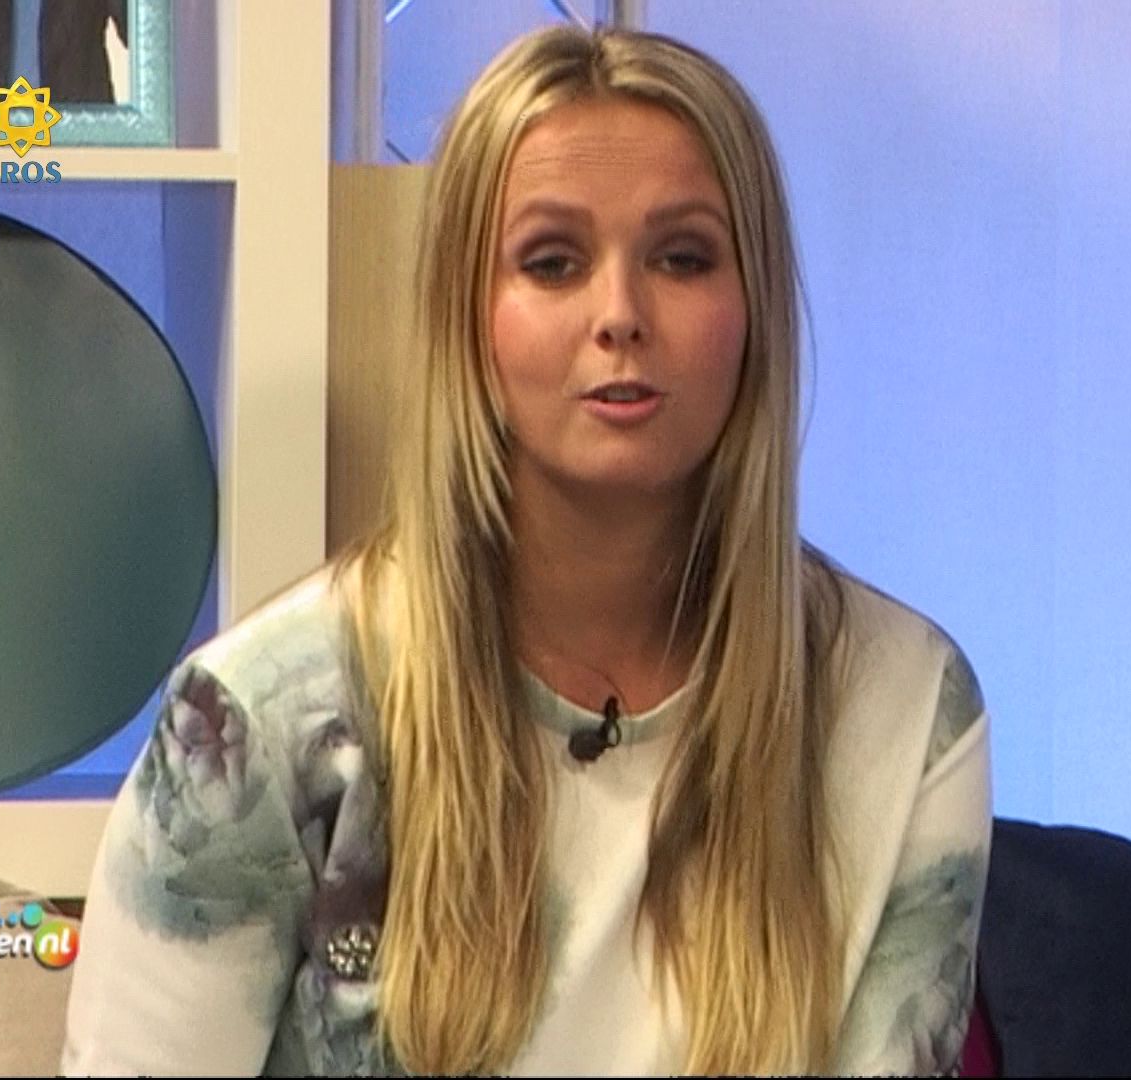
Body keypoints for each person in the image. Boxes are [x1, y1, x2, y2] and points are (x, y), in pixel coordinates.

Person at [61, 23, 992, 1077]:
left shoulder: (907, 706)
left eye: (683, 258)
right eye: (552, 263)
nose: (620, 315)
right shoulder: (255, 723)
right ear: (468, 317)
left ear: (756, 309)